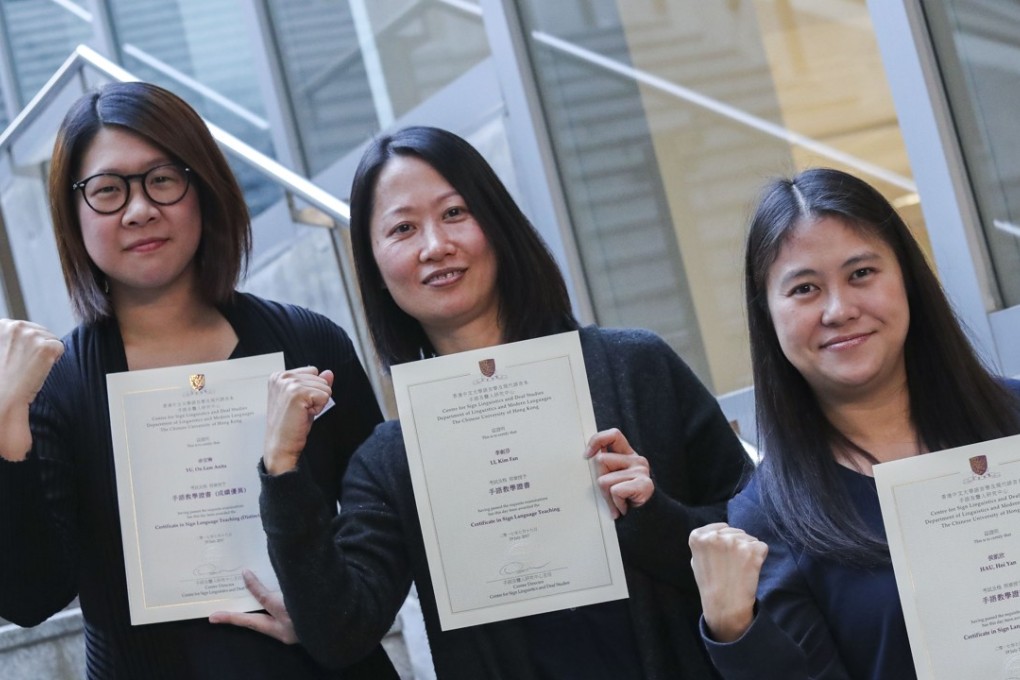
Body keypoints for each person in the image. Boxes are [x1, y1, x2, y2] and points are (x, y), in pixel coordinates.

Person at [220, 125, 752, 678]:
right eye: (403, 228)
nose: (435, 246)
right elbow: (341, 631)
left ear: (498, 225)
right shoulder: (391, 459)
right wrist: (281, 469)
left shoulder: (634, 367)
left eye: (454, 213)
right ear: (374, 268)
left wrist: (653, 515)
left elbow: (762, 533)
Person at [0, 81, 396, 679]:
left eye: (163, 179)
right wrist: (8, 425)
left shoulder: (310, 343)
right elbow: (30, 598)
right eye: (107, 190)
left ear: (204, 188)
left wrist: (327, 614)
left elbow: (381, 527)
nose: (139, 210)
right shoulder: (54, 388)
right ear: (72, 214)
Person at [688, 168, 1020, 679]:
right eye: (804, 288)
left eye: (861, 273)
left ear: (907, 278)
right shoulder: (769, 518)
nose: (839, 310)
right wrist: (735, 632)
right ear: (768, 315)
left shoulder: (1012, 415)